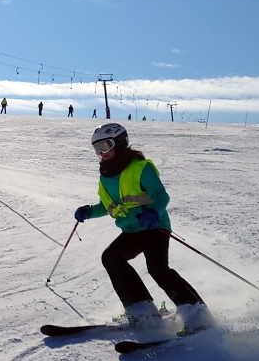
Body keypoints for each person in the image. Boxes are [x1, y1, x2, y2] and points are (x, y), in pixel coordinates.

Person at [73, 123, 208, 329]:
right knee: (111, 257)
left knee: (157, 268)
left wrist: (154, 212)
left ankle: (196, 312)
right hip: (131, 231)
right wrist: (89, 211)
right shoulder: (105, 177)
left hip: (154, 227)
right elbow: (107, 205)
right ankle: (141, 310)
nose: (102, 153)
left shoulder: (141, 168)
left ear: (120, 143)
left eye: (106, 146)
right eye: (97, 148)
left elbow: (161, 196)